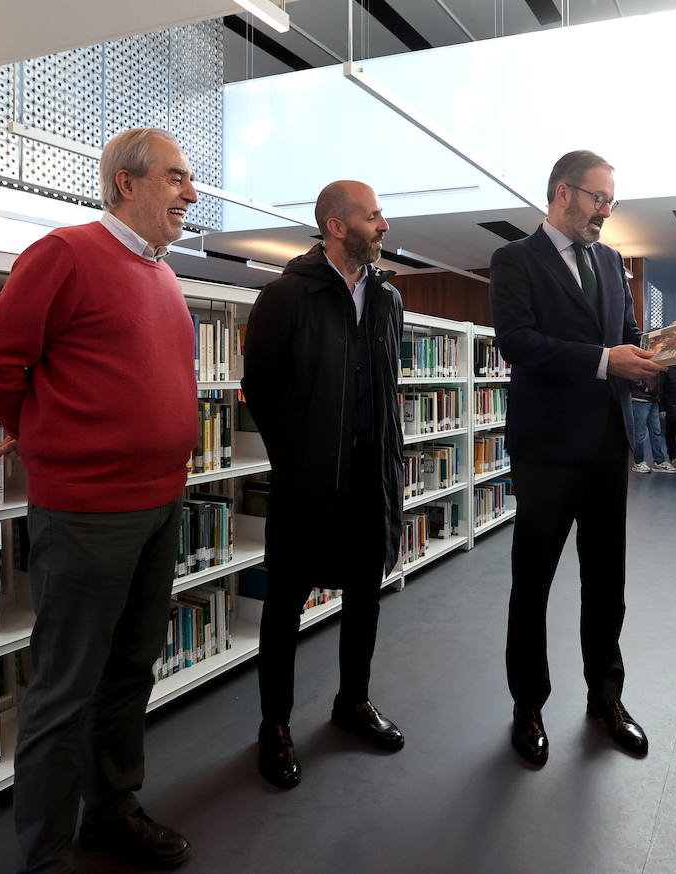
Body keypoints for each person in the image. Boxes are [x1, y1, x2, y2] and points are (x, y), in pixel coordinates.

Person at [0, 127, 198, 873]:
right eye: (176, 178)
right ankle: (49, 854)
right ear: (127, 184)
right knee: (65, 689)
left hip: (160, 502)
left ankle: (113, 811)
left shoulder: (161, 274)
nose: (190, 193)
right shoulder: (66, 253)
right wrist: (35, 424)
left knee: (131, 671)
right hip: (89, 511)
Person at [489, 150, 659, 767]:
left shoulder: (613, 263)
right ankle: (527, 706)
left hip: (607, 449)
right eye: (598, 199)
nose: (605, 212)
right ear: (564, 193)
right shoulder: (515, 261)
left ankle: (606, 698)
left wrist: (652, 360)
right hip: (548, 452)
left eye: (610, 202)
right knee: (531, 585)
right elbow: (518, 344)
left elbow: (629, 335)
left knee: (606, 583)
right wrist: (604, 359)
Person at [242, 180, 406, 791]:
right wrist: (298, 455)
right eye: (373, 216)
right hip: (308, 479)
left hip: (372, 475)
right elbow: (259, 388)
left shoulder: (386, 300)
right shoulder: (286, 297)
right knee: (284, 605)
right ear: (337, 226)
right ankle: (274, 726)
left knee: (365, 595)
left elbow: (385, 387)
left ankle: (352, 703)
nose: (383, 225)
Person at [629, 374, 672, 473]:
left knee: (656, 432)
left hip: (653, 399)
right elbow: (632, 374)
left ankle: (659, 462)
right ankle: (638, 462)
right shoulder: (639, 358)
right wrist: (645, 388)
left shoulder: (653, 359)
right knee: (640, 434)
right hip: (640, 399)